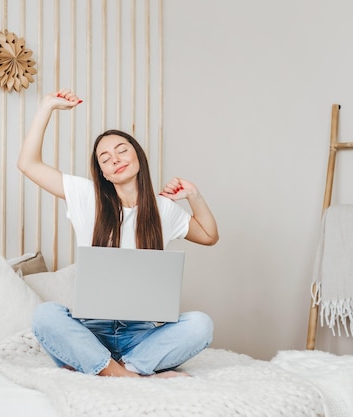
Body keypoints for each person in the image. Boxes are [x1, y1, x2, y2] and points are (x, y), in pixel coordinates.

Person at [18, 88, 219, 378]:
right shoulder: (87, 196)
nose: (115, 158)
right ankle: (131, 376)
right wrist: (47, 106)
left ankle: (111, 369)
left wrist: (194, 195)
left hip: (141, 335)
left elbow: (209, 236)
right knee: (45, 315)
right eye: (105, 158)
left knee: (201, 324)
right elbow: (28, 164)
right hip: (91, 330)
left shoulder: (163, 209)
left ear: (137, 155)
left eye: (122, 149)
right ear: (103, 173)